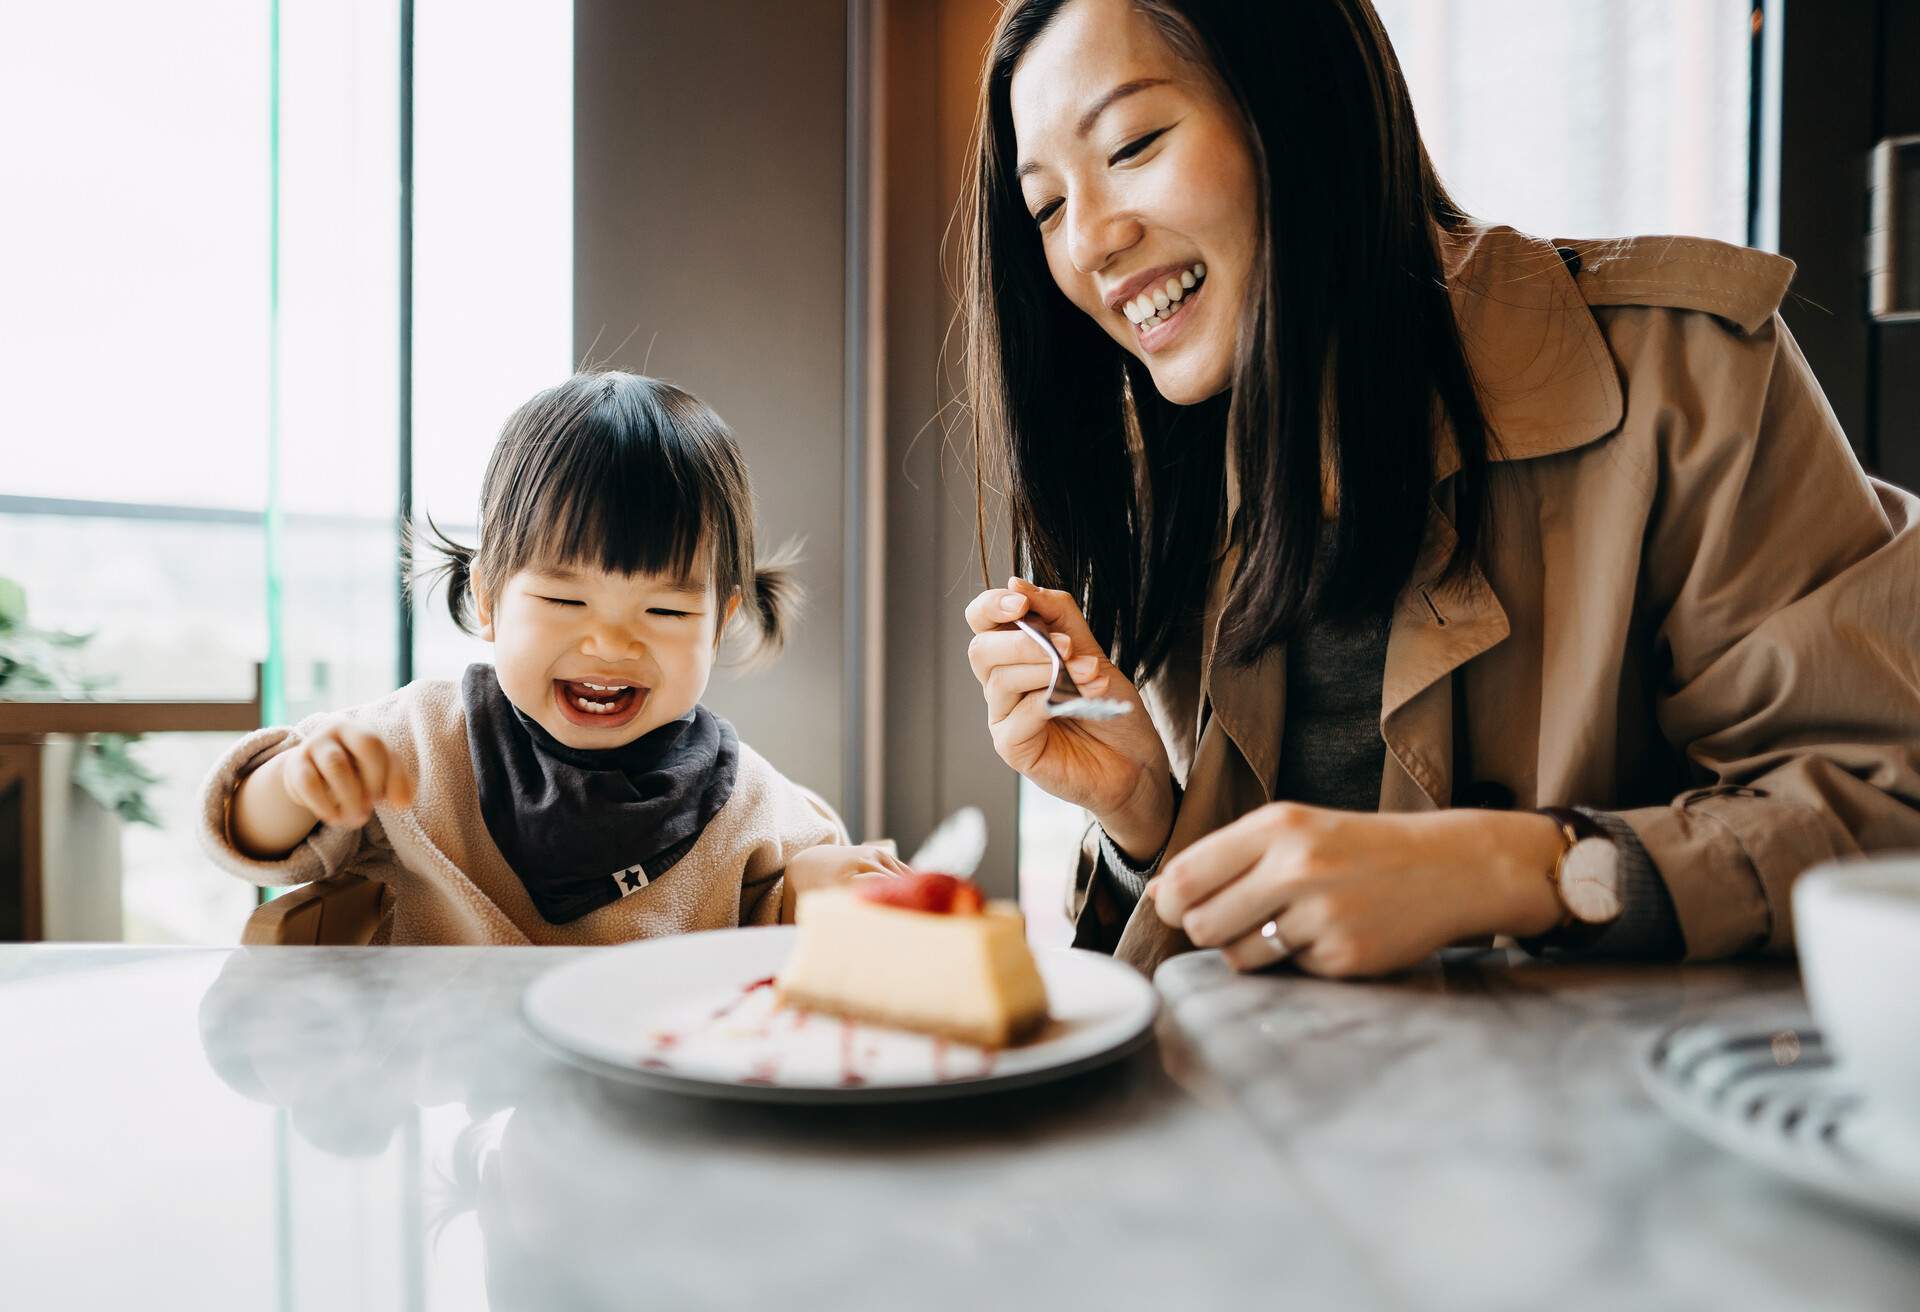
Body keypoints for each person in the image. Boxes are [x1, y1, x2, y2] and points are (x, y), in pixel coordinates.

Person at [960, 0, 1920, 977]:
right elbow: (1243, 977)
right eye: (1045, 207)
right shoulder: (1168, 486)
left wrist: (1514, 869)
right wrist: (1140, 817)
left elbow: (1885, 814)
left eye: (1131, 144)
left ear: (1304, 102)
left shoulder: (1685, 375)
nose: (1088, 242)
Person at [200, 372, 901, 944]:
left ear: (718, 624)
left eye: (665, 611)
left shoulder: (746, 803)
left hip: (649, 1109)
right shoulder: (418, 750)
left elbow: (787, 920)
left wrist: (820, 889)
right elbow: (249, 835)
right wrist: (297, 783)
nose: (611, 644)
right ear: (487, 599)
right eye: (566, 602)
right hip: (443, 1097)